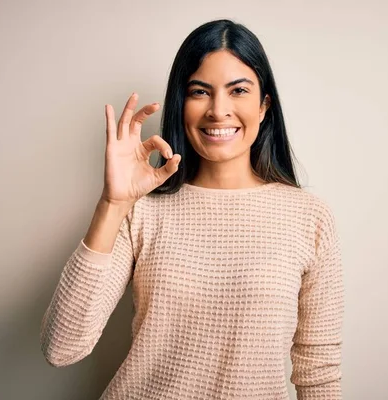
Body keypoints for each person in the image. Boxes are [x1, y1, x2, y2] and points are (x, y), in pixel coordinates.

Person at [40, 19, 344, 400]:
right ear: (181, 104)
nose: (219, 110)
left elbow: (318, 372)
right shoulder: (141, 212)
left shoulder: (309, 218)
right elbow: (62, 348)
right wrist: (113, 204)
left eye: (238, 91)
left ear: (264, 105)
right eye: (200, 91)